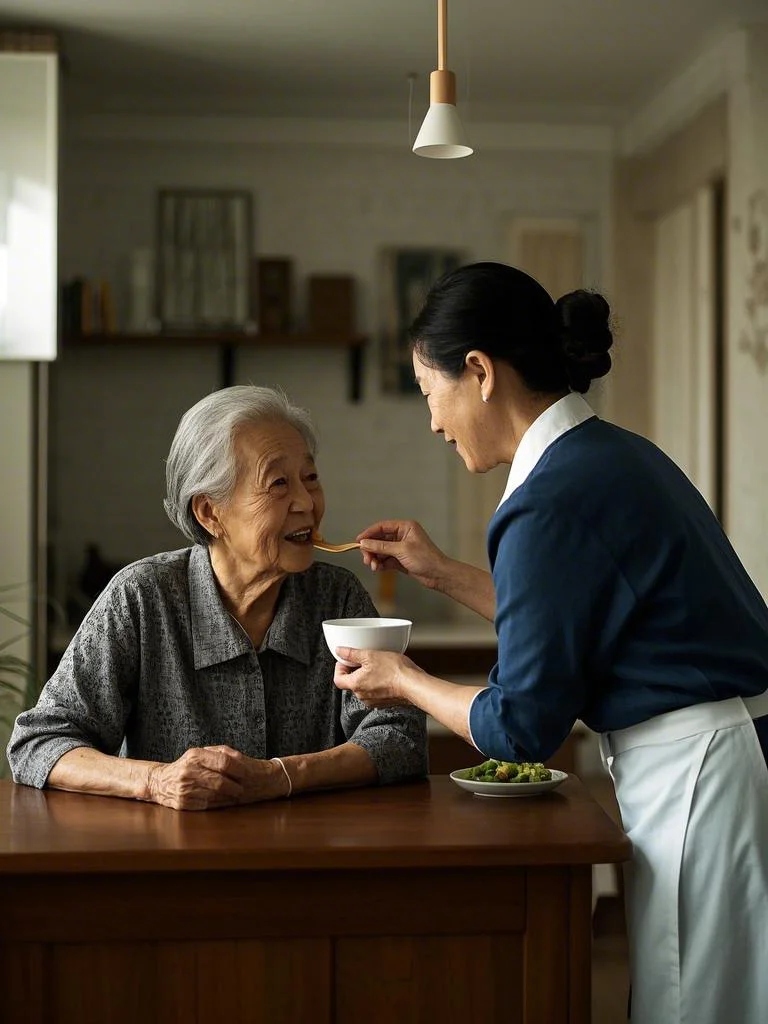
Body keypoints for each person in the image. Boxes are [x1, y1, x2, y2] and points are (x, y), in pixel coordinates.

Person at [332, 262, 768, 1024]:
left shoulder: (546, 501)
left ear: (479, 372)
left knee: (693, 1006)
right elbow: (572, 624)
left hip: (702, 773)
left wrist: (403, 679)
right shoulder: (609, 456)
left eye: (431, 393)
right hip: (732, 751)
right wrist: (441, 574)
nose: (433, 421)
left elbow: (521, 725)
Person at [7, 385, 427, 809]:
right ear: (210, 513)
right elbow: (39, 743)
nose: (306, 502)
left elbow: (399, 737)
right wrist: (157, 780)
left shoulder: (336, 596)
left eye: (311, 478)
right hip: (175, 864)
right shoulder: (142, 598)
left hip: (308, 862)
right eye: (278, 483)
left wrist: (281, 776)